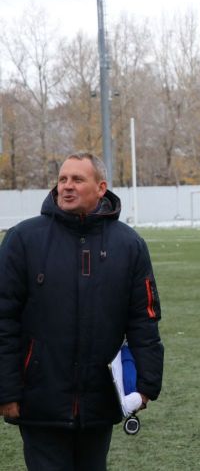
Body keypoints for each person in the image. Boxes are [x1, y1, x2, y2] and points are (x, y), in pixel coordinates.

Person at [0, 153, 163, 470]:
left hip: (100, 402)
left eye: (77, 179)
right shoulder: (23, 239)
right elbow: (4, 318)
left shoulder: (129, 245)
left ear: (101, 188)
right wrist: (6, 390)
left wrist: (146, 386)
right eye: (63, 179)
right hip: (39, 402)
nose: (67, 186)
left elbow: (144, 320)